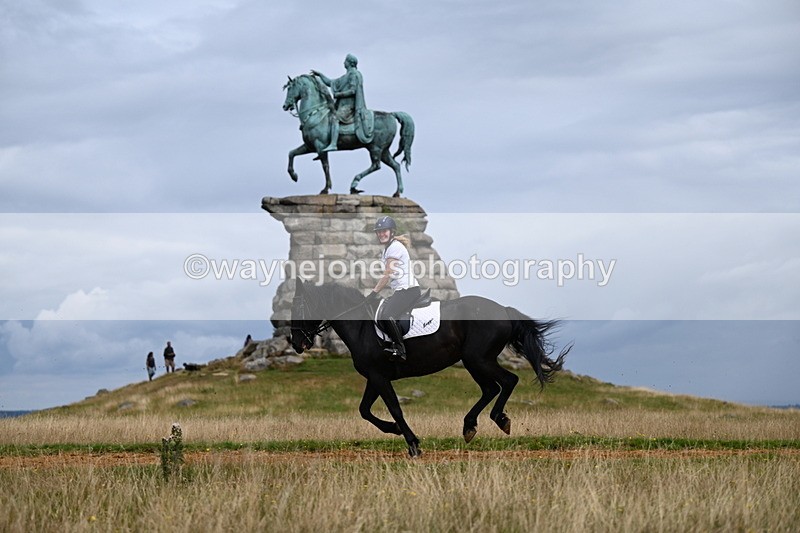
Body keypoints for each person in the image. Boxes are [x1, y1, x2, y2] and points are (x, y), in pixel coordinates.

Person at [366, 216, 420, 361]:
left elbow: (387, 275)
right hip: (401, 290)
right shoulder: (388, 249)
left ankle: (400, 349)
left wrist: (373, 293)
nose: (381, 234)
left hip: (408, 290)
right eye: (379, 232)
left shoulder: (395, 247)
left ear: (392, 232)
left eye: (384, 231)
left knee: (387, 315)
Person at [310, 53, 374, 150]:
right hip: (342, 106)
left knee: (334, 118)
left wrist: (339, 94)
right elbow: (330, 82)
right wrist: (320, 75)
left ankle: (333, 144)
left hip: (349, 106)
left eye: (345, 61)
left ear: (350, 63)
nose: (344, 62)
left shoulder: (354, 74)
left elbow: (353, 91)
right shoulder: (346, 76)